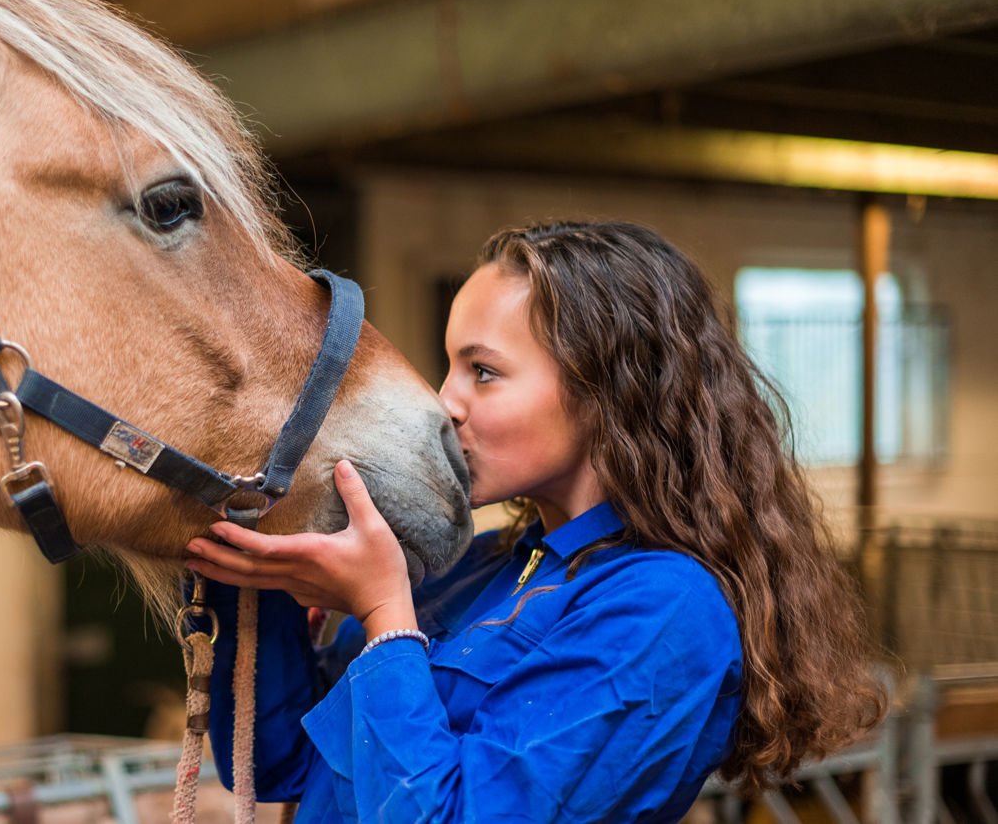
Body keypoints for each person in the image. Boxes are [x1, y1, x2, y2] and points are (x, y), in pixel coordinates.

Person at [183, 221, 888, 822]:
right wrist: (265, 569)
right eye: (451, 366)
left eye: (484, 372)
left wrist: (383, 615)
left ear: (606, 392)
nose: (446, 401)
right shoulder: (477, 565)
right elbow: (279, 765)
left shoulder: (665, 612)